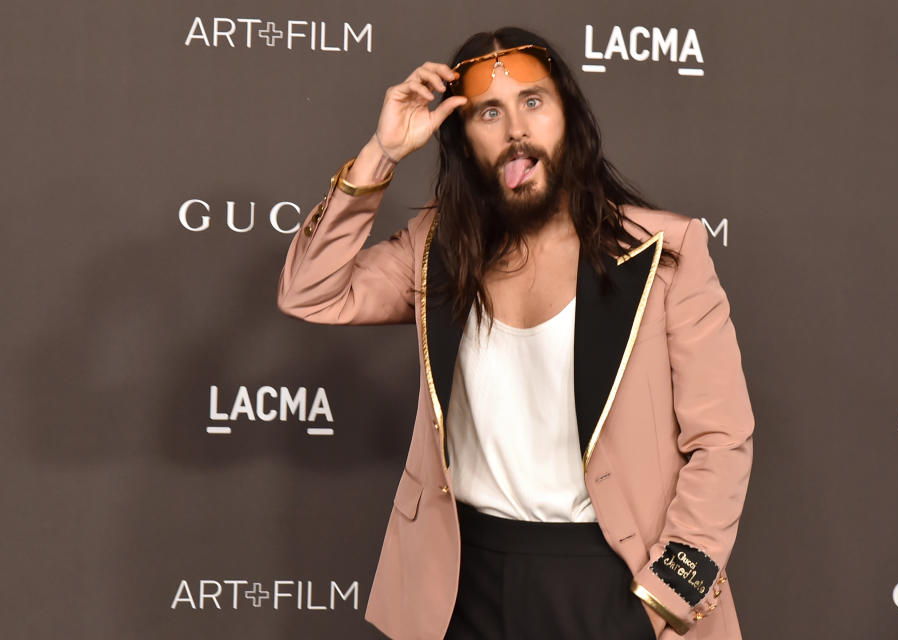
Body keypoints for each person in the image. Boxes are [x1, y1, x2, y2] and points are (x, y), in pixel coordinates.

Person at [278, 26, 753, 640]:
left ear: (569, 116)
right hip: (464, 580)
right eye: (488, 113)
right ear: (463, 138)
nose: (515, 131)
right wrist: (382, 152)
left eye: (533, 101)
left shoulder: (664, 252)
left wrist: (664, 597)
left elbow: (722, 437)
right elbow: (310, 291)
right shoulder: (437, 249)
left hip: (612, 577)